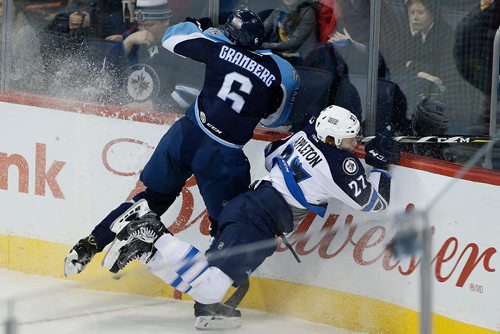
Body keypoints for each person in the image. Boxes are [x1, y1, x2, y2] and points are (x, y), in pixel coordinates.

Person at [100, 105, 400, 329]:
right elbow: (375, 203)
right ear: (333, 139)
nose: (354, 146)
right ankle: (152, 235)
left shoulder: (306, 135)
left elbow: (271, 154)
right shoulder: (339, 166)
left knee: (213, 282)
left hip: (251, 205)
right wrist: (378, 165)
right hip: (258, 218)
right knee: (212, 286)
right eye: (350, 141)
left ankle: (152, 251)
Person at [64, 9, 299, 280]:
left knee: (150, 198)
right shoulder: (280, 70)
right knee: (229, 226)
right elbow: (275, 119)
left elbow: (171, 38)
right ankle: (208, 302)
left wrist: (200, 24)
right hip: (223, 155)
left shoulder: (218, 46)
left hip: (186, 135)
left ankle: (90, 244)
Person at [262, 0, 319, 64]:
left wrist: (267, 46)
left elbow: (295, 42)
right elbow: (262, 29)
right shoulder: (279, 10)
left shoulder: (307, 12)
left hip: (299, 58)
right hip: (278, 54)